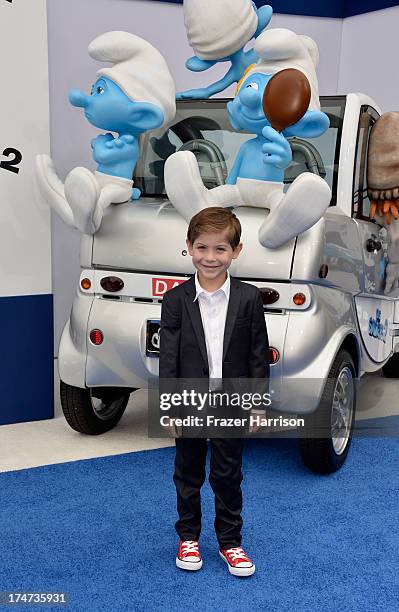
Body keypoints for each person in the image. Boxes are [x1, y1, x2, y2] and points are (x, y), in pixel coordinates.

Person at [159, 207, 270, 577]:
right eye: (202, 248)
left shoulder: (250, 299)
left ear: (236, 251)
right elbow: (169, 358)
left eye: (220, 249)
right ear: (189, 247)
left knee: (227, 474)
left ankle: (230, 542)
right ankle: (188, 536)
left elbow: (258, 355)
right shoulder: (174, 301)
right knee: (187, 472)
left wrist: (256, 404)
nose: (210, 257)